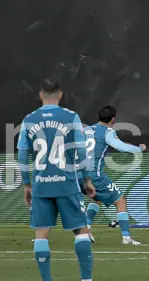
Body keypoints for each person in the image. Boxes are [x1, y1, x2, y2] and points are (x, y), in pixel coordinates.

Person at [18, 79, 96, 281]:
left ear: (40, 94)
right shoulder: (71, 117)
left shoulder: (29, 119)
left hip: (41, 185)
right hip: (67, 182)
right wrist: (86, 179)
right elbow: (81, 149)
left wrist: (27, 184)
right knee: (81, 230)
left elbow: (22, 155)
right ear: (60, 94)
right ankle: (86, 279)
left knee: (41, 233)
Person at [81, 105, 146, 245]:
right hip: (94, 176)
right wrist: (139, 149)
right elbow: (120, 146)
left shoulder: (85, 130)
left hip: (78, 175)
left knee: (97, 199)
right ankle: (126, 237)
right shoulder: (107, 132)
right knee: (120, 199)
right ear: (113, 119)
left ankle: (86, 228)